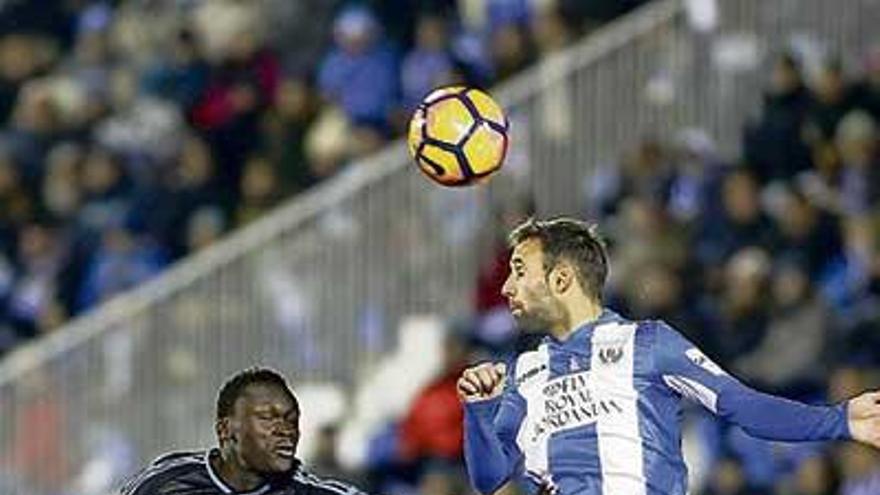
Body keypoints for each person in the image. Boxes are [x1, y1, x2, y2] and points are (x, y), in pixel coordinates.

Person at [457, 217, 880, 495]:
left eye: (519, 271)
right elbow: (490, 477)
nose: (507, 288)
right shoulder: (526, 372)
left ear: (562, 278)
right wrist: (478, 410)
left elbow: (739, 404)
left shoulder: (647, 343)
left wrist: (838, 420)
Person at [120, 367, 367, 494]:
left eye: (291, 419)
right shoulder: (167, 483)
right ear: (226, 429)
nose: (285, 431)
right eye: (266, 418)